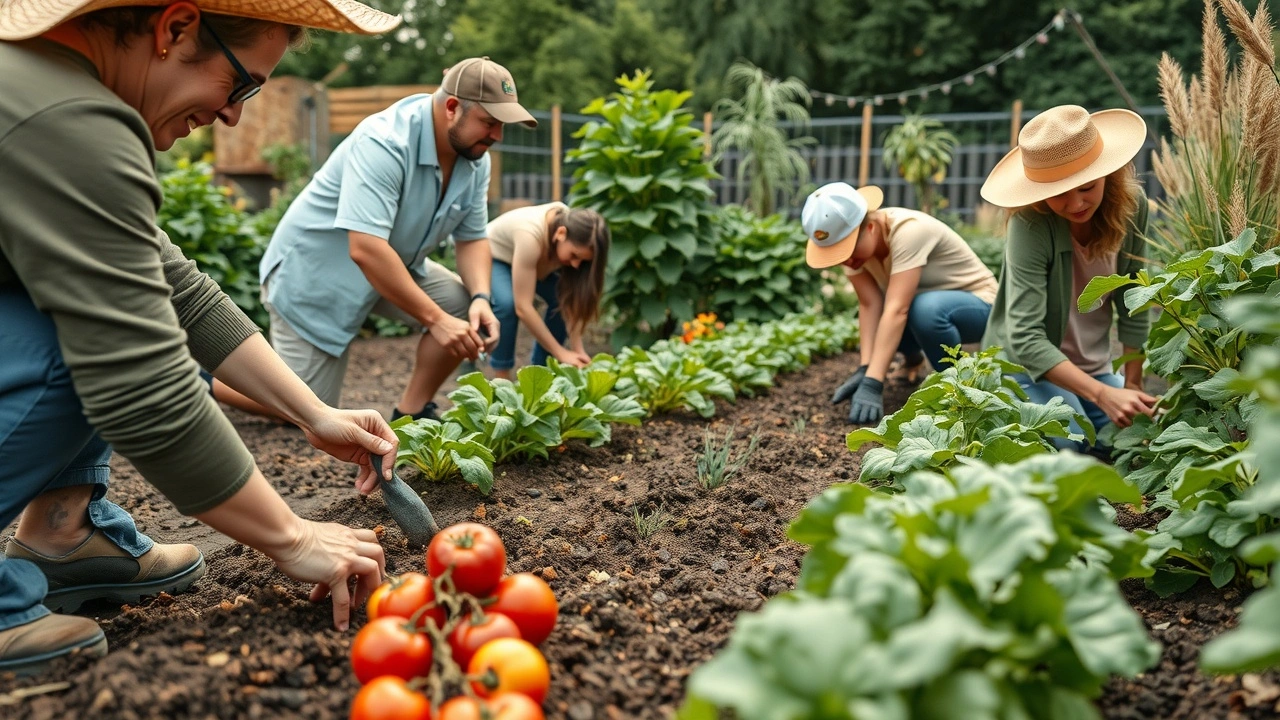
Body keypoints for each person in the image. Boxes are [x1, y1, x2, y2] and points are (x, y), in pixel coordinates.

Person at [0, 0, 405, 676]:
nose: (235, 115)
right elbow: (141, 384)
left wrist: (312, 412)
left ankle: (64, 534)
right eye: (242, 83)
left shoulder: (42, 84)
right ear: (176, 28)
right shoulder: (65, 119)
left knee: (114, 303)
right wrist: (292, 536)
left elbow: (171, 285)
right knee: (91, 341)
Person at [249, 56, 536, 422]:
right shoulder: (384, 142)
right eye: (490, 123)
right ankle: (211, 381)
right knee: (302, 408)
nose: (497, 136)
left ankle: (410, 413)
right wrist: (436, 320)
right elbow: (366, 248)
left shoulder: (475, 159)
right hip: (316, 275)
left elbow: (473, 238)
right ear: (452, 107)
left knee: (461, 307)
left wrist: (481, 296)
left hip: (393, 267)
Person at [979, 104, 1157, 450]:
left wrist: (1132, 387)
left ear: (1107, 172)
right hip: (1025, 367)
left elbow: (1135, 302)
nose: (1075, 204)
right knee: (1071, 442)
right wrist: (1104, 395)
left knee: (1137, 442)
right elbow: (1025, 338)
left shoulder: (1133, 206)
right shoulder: (1030, 223)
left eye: (1087, 187)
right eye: (1058, 193)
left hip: (1092, 368)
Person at [802, 182, 999, 424]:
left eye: (848, 250)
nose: (847, 260)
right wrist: (865, 368)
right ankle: (913, 361)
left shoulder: (909, 231)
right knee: (899, 310)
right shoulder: (854, 255)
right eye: (838, 253)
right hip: (924, 309)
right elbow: (869, 305)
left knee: (921, 309)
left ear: (871, 227)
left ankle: (960, 387)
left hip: (980, 306)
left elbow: (898, 310)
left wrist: (874, 382)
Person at [486, 203, 609, 378]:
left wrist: (578, 350)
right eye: (574, 255)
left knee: (561, 299)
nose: (575, 265)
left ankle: (540, 373)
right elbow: (524, 307)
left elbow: (570, 301)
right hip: (493, 255)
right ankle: (502, 377)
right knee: (507, 304)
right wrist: (561, 353)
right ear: (561, 234)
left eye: (582, 261)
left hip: (530, 262)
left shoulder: (575, 229)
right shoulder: (530, 236)